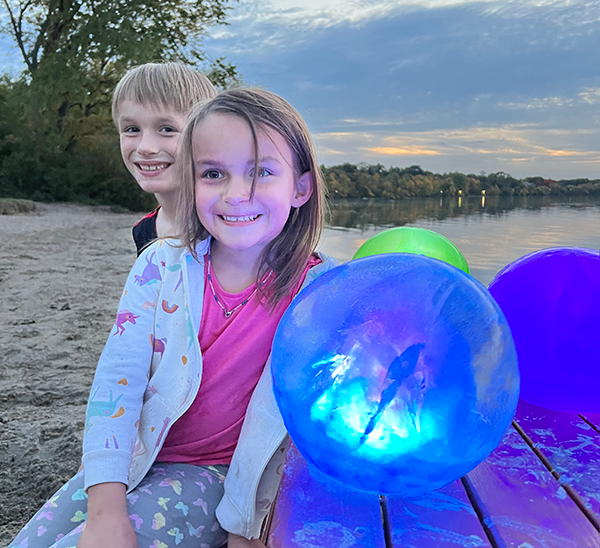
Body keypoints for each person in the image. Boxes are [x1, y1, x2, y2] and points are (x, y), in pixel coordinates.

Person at [9, 88, 337, 548]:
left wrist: (249, 525)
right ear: (191, 179)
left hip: (215, 477)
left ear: (301, 187)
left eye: (261, 172)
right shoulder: (159, 266)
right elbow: (117, 382)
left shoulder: (323, 293)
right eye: (214, 173)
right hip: (133, 458)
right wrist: (105, 502)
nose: (236, 194)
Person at [112, 62, 217, 255]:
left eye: (167, 129)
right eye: (132, 129)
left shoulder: (226, 226)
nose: (145, 148)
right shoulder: (143, 231)